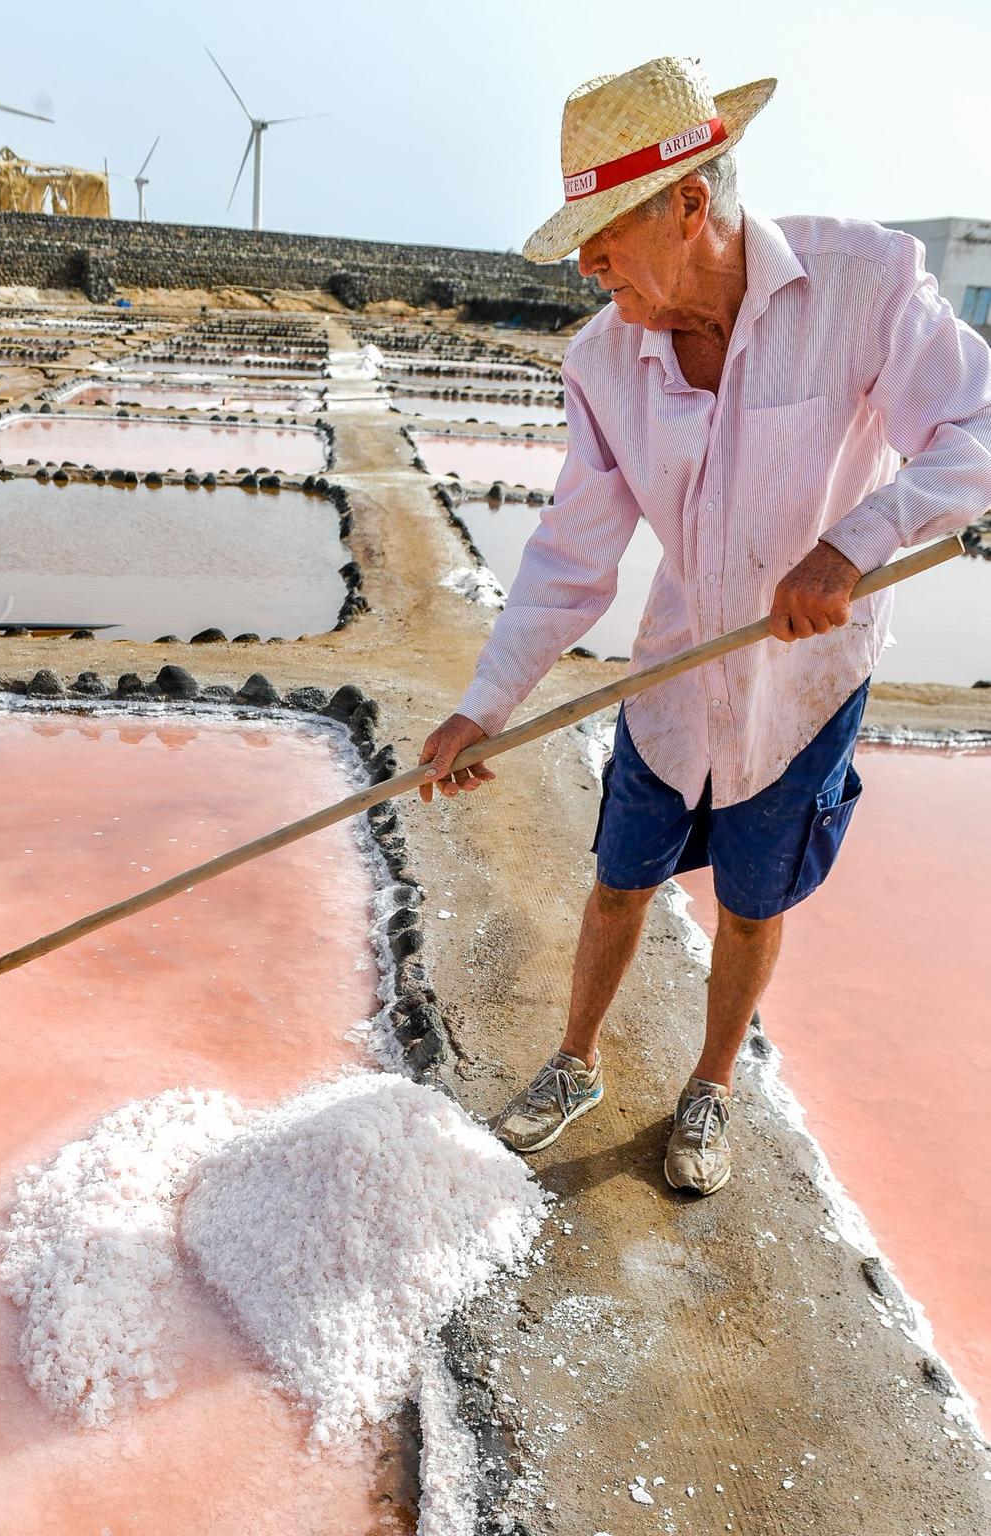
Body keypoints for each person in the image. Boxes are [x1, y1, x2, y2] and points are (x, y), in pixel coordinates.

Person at [421, 54, 991, 1195]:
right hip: (679, 670)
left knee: (748, 901)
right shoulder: (600, 360)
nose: (586, 263)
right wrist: (481, 706)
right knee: (619, 877)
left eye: (603, 231)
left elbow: (970, 427)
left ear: (689, 201)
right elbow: (571, 558)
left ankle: (710, 1084)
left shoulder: (860, 283)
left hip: (804, 680)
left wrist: (850, 545)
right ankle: (573, 1059)